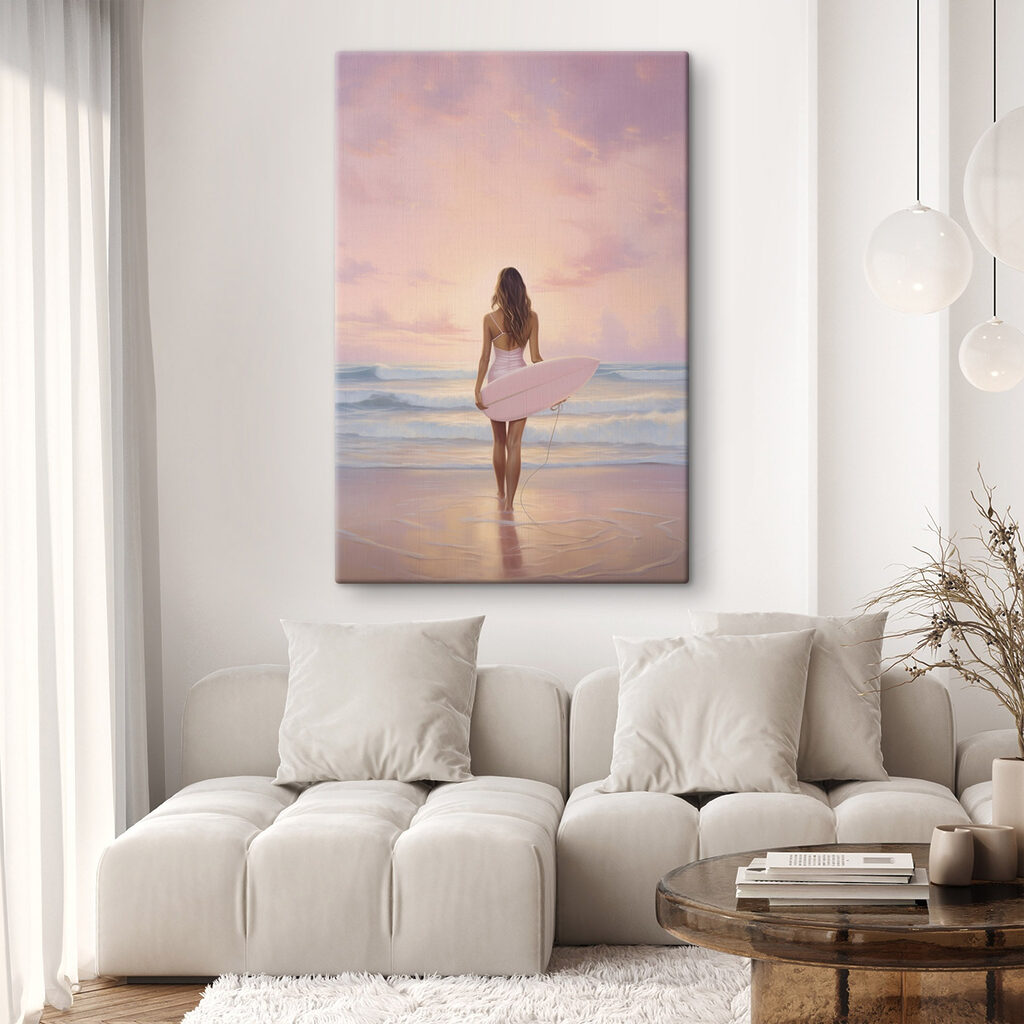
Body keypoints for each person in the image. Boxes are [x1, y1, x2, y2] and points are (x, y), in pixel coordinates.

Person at [474, 267, 541, 512]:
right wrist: (553, 386)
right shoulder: (531, 318)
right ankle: (510, 504)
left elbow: (484, 358)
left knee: (499, 441)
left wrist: (477, 388)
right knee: (515, 444)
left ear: (500, 289)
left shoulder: (490, 320)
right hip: (521, 381)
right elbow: (535, 358)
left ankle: (501, 492)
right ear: (520, 288)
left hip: (498, 381)